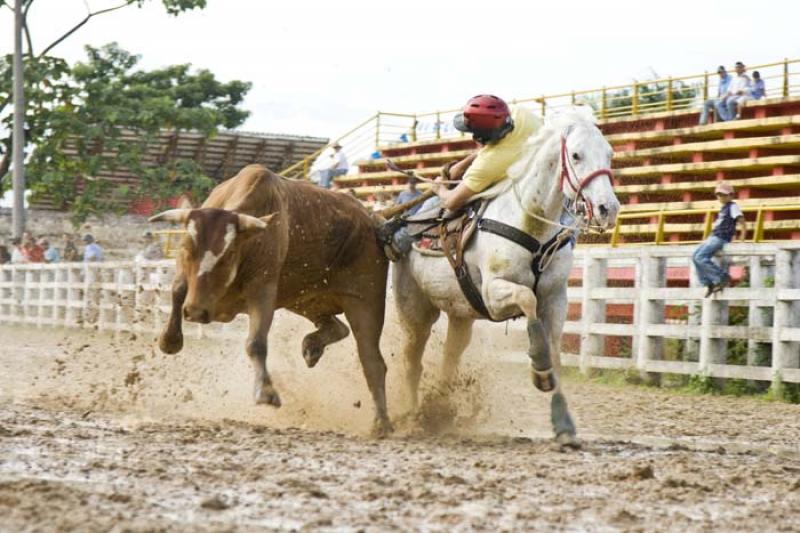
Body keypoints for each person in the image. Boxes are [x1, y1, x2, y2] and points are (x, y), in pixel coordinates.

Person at [383, 94, 542, 259]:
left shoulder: (488, 164)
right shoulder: (522, 114)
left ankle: (399, 242)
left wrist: (439, 189)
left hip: (508, 189)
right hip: (533, 179)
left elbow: (451, 201)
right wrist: (463, 164)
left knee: (433, 203)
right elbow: (492, 148)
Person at [692, 182, 747, 297]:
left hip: (720, 237)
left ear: (731, 195)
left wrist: (742, 235)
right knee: (694, 256)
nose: (721, 197)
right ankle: (708, 283)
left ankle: (722, 277)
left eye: (724, 195)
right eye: (719, 195)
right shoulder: (724, 208)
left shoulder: (733, 206)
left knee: (700, 257)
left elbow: (741, 220)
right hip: (714, 236)